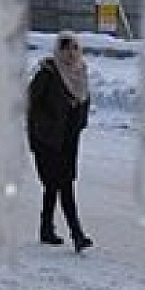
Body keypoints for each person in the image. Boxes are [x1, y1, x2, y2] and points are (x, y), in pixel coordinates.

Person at [27, 31, 93, 253]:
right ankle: (77, 235)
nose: (70, 53)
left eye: (74, 48)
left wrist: (79, 122)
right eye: (65, 48)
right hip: (47, 140)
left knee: (54, 186)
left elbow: (83, 101)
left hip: (69, 139)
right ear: (58, 50)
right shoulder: (48, 72)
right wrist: (42, 129)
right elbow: (31, 104)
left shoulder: (81, 72)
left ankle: (46, 228)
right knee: (63, 186)